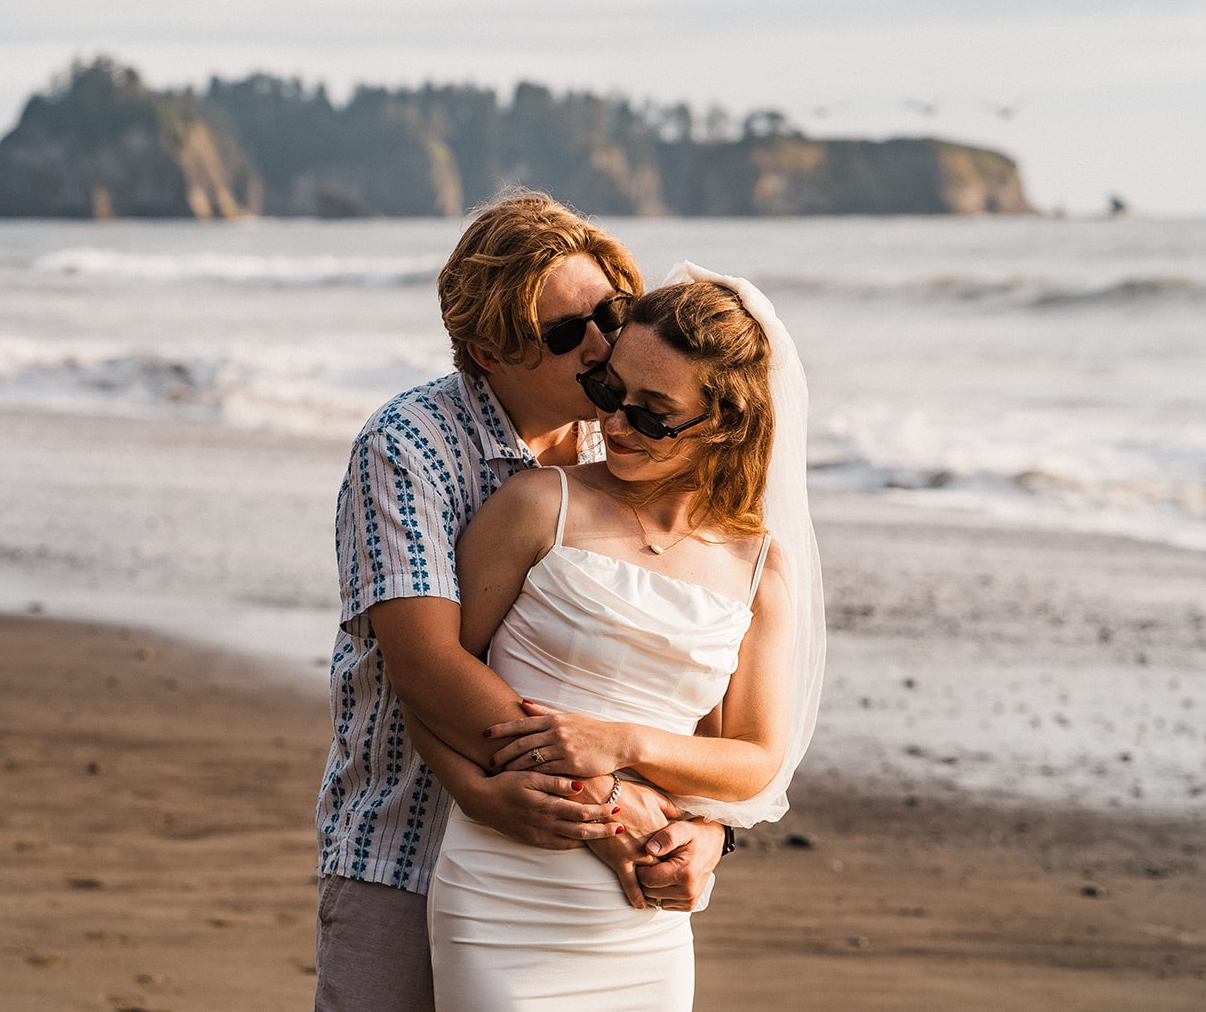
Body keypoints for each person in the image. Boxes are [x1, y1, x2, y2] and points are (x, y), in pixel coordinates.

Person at [314, 194, 734, 1011]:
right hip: (410, 844)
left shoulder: (630, 441)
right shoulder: (406, 446)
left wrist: (709, 829)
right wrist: (611, 804)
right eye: (566, 333)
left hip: (585, 874)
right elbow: (428, 663)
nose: (607, 343)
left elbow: (692, 654)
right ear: (486, 352)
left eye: (610, 312)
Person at [416, 265, 828, 1009]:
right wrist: (477, 792)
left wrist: (635, 755)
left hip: (641, 913)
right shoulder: (539, 504)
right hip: (503, 890)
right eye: (612, 393)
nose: (613, 424)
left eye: (652, 413)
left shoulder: (760, 565)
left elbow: (755, 759)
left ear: (728, 421)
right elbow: (428, 685)